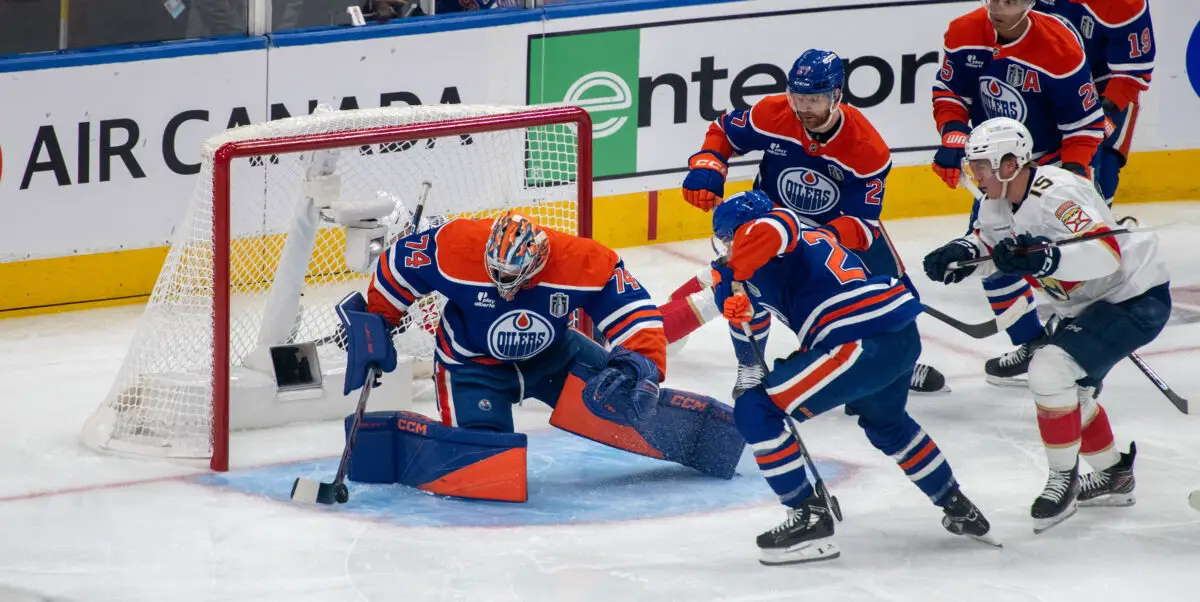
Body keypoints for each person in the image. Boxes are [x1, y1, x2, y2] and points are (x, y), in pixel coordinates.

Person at [339, 210, 745, 502]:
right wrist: (381, 318)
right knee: (489, 467)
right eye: (495, 274)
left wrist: (640, 360)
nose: (502, 288)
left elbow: (635, 310)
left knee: (622, 394)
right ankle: (404, 447)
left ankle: (702, 439)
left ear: (536, 261)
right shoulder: (456, 244)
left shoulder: (581, 261)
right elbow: (398, 265)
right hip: (471, 365)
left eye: (511, 278)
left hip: (554, 354)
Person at [710, 191, 995, 565]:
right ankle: (956, 504)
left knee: (754, 410)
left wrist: (735, 271)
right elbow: (746, 310)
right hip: (897, 335)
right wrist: (731, 298)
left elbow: (776, 226)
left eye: (729, 238)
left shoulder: (778, 231)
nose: (727, 247)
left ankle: (809, 518)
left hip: (855, 340)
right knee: (887, 424)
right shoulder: (766, 260)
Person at [923, 117, 1169, 532]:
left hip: (1132, 298)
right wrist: (960, 253)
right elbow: (990, 241)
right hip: (1086, 305)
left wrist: (1046, 259)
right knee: (1073, 392)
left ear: (1009, 163)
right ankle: (1113, 474)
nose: (975, 174)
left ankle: (1063, 480)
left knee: (1050, 370)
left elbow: (1104, 253)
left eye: (981, 165)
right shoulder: (996, 198)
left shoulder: (1059, 194)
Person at [661, 48, 948, 395]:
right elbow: (725, 131)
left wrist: (819, 240)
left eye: (813, 99)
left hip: (833, 229)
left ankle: (899, 362)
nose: (803, 108)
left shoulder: (867, 148)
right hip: (769, 221)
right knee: (745, 282)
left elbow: (862, 225)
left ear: (836, 96)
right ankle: (751, 364)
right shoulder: (774, 113)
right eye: (797, 97)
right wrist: (708, 164)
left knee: (894, 288)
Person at [931, 0, 1109, 386]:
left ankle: (1085, 349)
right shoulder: (964, 31)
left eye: (1010, 1)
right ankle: (1032, 345)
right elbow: (949, 94)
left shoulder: (1060, 47)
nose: (997, 6)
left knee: (1075, 267)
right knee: (995, 254)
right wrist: (953, 136)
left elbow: (1084, 126)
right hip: (998, 169)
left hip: (1050, 168)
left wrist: (1072, 177)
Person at [1033, 0, 1156, 206]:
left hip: (1104, 87)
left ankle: (1098, 215)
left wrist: (1100, 114)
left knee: (1102, 155)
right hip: (1048, 81)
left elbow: (1132, 72)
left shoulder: (1125, 4)